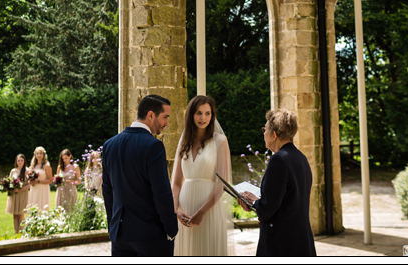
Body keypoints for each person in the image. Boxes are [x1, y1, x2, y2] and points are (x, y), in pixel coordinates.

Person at [101, 94, 178, 256]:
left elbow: (107, 191)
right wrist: (171, 229)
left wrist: (113, 227)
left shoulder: (109, 145)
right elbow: (161, 192)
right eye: (165, 117)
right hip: (150, 235)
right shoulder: (154, 146)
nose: (167, 123)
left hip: (119, 236)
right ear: (151, 115)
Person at [239, 109, 316, 257]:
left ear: (274, 135)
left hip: (281, 243)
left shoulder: (278, 159)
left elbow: (268, 208)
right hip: (300, 239)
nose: (263, 133)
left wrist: (253, 203)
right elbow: (288, 201)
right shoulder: (301, 158)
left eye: (265, 129)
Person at [171, 95, 233, 256]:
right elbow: (177, 183)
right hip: (185, 209)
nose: (203, 118)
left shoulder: (220, 141)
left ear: (212, 116)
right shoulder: (184, 140)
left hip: (209, 209)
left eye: (207, 113)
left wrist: (201, 213)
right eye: (199, 113)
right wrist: (175, 210)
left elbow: (222, 184)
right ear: (191, 114)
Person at [5, 154, 31, 233]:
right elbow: (9, 182)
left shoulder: (27, 170)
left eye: (21, 161)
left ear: (24, 161)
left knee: (20, 214)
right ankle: (16, 233)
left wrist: (20, 189)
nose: (20, 162)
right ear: (16, 161)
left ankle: (22, 232)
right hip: (14, 195)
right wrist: (8, 189)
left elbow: (29, 185)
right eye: (18, 161)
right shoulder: (13, 171)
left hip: (22, 194)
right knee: (15, 215)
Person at [55, 149, 81, 213]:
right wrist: (57, 181)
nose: (64, 160)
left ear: (70, 156)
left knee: (71, 209)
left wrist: (71, 181)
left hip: (71, 190)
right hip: (61, 190)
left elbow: (79, 181)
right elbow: (57, 180)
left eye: (66, 158)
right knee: (60, 209)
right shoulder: (60, 167)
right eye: (63, 159)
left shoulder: (75, 167)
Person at [27, 146, 53, 212]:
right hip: (34, 189)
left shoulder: (46, 165)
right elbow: (29, 179)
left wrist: (38, 181)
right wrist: (30, 180)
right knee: (33, 205)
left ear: (44, 154)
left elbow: (50, 180)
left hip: (43, 189)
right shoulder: (33, 165)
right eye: (37, 153)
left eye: (40, 153)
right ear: (35, 155)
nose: (39, 155)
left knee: (42, 207)